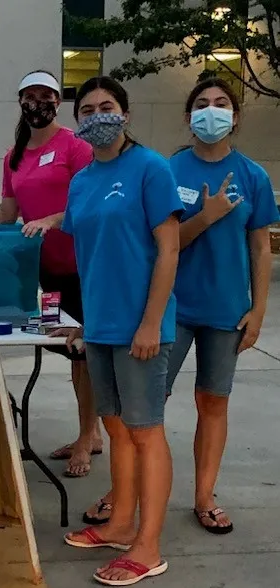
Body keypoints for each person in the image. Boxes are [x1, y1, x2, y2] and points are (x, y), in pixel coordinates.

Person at [80, 77, 280, 536]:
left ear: (236, 115)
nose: (212, 111)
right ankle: (122, 493)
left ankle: (205, 496)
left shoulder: (253, 176)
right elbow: (166, 246)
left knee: (213, 401)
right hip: (170, 310)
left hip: (226, 311)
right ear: (188, 117)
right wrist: (205, 217)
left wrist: (258, 311)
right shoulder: (166, 169)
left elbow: (261, 248)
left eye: (222, 104)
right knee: (143, 406)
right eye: (202, 105)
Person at [0, 69, 103, 478]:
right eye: (30, 95)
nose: (37, 102)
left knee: (87, 355)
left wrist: (51, 219)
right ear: (21, 101)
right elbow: (8, 215)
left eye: (46, 95)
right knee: (68, 352)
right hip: (45, 272)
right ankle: (91, 430)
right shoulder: (15, 156)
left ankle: (87, 438)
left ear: (58, 101)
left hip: (85, 266)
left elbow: (93, 204)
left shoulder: (75, 148)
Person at [52, 76, 182, 586]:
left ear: (125, 114)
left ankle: (147, 547)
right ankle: (120, 524)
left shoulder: (151, 169)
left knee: (146, 431)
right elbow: (89, 256)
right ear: (78, 121)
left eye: (107, 106)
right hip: (100, 326)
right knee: (116, 428)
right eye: (86, 110)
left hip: (140, 328)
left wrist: (151, 322)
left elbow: (168, 249)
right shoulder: (82, 180)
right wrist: (83, 324)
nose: (97, 116)